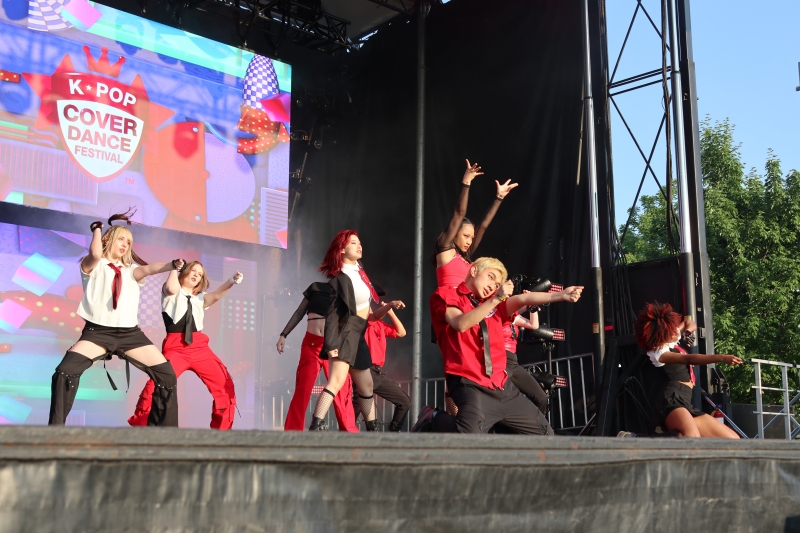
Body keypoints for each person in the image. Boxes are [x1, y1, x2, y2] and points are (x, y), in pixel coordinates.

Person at [413, 257, 583, 434]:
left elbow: (523, 298)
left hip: (501, 386)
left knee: (545, 434)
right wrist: (496, 299)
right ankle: (432, 416)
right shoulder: (448, 294)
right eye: (491, 277)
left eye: (497, 284)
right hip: (470, 383)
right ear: (474, 271)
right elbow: (460, 323)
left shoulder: (494, 305)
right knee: (468, 434)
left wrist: (561, 295)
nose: (493, 286)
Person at [48, 211, 181, 426]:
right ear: (108, 240)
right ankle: (54, 431)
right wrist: (97, 230)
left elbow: (149, 269)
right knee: (65, 371)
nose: (125, 245)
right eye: (121, 239)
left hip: (131, 335)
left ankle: (164, 435)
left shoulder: (131, 271)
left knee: (167, 376)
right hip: (97, 333)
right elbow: (95, 254)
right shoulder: (93, 265)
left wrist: (170, 266)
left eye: (129, 242)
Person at [127, 262, 241, 430]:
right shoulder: (171, 292)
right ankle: (141, 427)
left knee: (224, 384)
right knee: (156, 384)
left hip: (200, 347)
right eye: (193, 271)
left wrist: (231, 281)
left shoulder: (200, 298)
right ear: (184, 272)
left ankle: (222, 432)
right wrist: (175, 268)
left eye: (200, 274)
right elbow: (172, 288)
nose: (196, 275)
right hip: (175, 348)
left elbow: (216, 295)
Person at [308, 230, 402, 432]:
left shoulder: (361, 275)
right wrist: (331, 345)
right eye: (353, 242)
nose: (359, 246)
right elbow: (332, 313)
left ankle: (373, 430)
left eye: (360, 242)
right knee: (336, 382)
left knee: (367, 386)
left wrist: (389, 306)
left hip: (358, 334)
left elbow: (372, 317)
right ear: (342, 249)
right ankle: (316, 425)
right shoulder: (340, 278)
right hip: (344, 333)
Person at [634, 302, 742, 439]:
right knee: (692, 437)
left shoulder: (670, 341)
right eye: (671, 330)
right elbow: (688, 359)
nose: (675, 331)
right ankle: (638, 439)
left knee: (732, 439)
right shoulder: (658, 353)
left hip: (685, 399)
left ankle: (676, 438)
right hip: (672, 398)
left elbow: (688, 323)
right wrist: (721, 357)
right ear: (663, 333)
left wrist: (688, 331)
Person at [276, 281, 359, 432]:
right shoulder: (316, 287)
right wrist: (283, 334)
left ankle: (349, 431)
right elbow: (299, 312)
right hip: (311, 344)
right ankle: (293, 432)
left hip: (333, 346)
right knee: (303, 389)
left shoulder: (345, 291)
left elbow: (351, 320)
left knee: (341, 390)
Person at [434, 159, 518, 288]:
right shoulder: (445, 248)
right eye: (466, 236)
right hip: (448, 304)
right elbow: (459, 214)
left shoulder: (465, 256)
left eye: (471, 238)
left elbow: (483, 226)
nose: (469, 242)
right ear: (455, 233)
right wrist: (466, 182)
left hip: (465, 306)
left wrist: (499, 198)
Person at [360, 301, 411, 432]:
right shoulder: (363, 321)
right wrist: (389, 306)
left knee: (404, 402)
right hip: (364, 370)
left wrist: (391, 312)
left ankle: (392, 433)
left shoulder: (380, 324)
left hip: (376, 373)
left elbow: (401, 332)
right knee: (356, 408)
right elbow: (374, 317)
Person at [503, 306, 551, 417]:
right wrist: (527, 304)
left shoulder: (513, 316)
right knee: (504, 401)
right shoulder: (496, 313)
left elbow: (534, 325)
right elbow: (507, 311)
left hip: (512, 361)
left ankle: (534, 429)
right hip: (500, 359)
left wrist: (532, 308)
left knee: (541, 398)